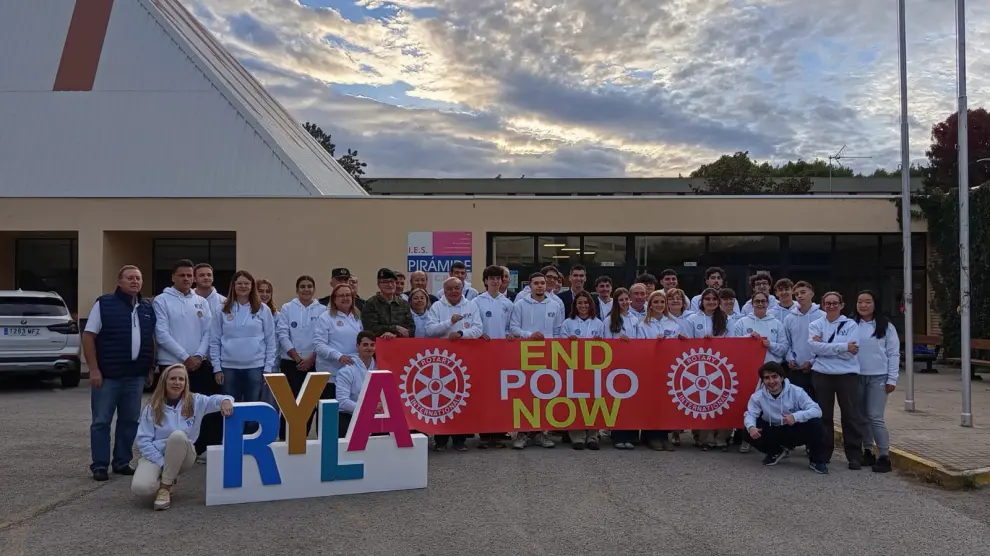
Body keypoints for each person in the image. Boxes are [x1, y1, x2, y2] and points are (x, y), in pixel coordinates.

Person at [82, 265, 157, 481]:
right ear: (120, 281)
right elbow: (89, 336)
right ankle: (99, 465)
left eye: (138, 278)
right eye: (130, 278)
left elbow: (150, 339)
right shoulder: (104, 304)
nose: (135, 281)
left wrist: (149, 367)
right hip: (107, 376)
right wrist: (93, 370)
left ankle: (122, 462)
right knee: (101, 422)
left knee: (130, 421)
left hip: (135, 376)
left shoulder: (145, 307)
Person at [132, 364, 234, 510]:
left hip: (185, 454)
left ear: (186, 383)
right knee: (141, 487)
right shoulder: (152, 406)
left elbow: (217, 399)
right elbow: (143, 440)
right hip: (157, 455)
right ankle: (166, 476)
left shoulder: (195, 401)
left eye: (181, 379)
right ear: (164, 381)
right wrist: (162, 463)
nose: (177, 382)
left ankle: (164, 488)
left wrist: (225, 400)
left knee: (178, 436)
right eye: (173, 379)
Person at [152, 259, 214, 462]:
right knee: (172, 410)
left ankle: (197, 449)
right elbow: (161, 334)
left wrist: (198, 356)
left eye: (189, 275)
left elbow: (208, 332)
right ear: (173, 277)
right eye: (182, 275)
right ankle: (168, 450)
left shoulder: (201, 301)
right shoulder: (162, 300)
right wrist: (185, 357)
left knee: (197, 408)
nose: (186, 279)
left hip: (199, 364)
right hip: (172, 364)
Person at [426, 277, 484, 451]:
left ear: (462, 289)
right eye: (449, 289)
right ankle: (441, 440)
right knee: (442, 399)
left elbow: (478, 329)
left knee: (461, 399)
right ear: (444, 290)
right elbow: (430, 330)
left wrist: (461, 333)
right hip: (442, 361)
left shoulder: (471, 305)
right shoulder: (437, 307)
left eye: (457, 288)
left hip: (465, 358)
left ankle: (460, 440)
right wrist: (449, 323)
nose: (453, 291)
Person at [809, 291, 865, 469]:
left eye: (835, 303)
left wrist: (825, 346)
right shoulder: (815, 324)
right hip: (822, 375)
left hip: (846, 376)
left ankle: (855, 456)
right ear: (822, 305)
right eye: (828, 303)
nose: (831, 306)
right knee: (824, 416)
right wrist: (842, 346)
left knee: (850, 416)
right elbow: (814, 348)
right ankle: (824, 454)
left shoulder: (851, 325)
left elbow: (851, 353)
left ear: (841, 305)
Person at [209, 271, 276, 414]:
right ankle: (233, 437)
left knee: (253, 407)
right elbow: (214, 340)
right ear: (233, 286)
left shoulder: (263, 309)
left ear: (252, 286)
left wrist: (268, 368)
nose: (243, 286)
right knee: (230, 409)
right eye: (239, 283)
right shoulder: (221, 309)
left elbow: (271, 341)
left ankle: (251, 435)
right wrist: (217, 368)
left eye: (247, 283)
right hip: (228, 368)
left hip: (255, 367)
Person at [509, 272, 563, 449]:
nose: (540, 286)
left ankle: (540, 433)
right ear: (530, 285)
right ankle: (522, 434)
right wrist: (529, 335)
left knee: (543, 394)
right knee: (525, 394)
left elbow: (558, 332)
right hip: (525, 355)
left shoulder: (555, 305)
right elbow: (514, 328)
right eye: (536, 283)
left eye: (542, 283)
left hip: (547, 355)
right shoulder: (519, 305)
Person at [743, 362, 828, 474]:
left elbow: (817, 410)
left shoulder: (797, 392)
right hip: (774, 429)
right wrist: (751, 427)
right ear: (763, 381)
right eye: (767, 378)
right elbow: (750, 414)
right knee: (747, 430)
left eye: (774, 376)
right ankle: (775, 451)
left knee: (816, 423)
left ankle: (816, 460)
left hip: (793, 429)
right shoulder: (757, 396)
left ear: (782, 377)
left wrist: (796, 416)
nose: (771, 381)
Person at [732, 291, 790, 453]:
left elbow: (784, 348)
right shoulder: (742, 323)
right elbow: (733, 347)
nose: (760, 304)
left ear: (767, 303)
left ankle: (777, 442)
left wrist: (770, 344)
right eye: (757, 301)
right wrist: (748, 340)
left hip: (772, 372)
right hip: (748, 372)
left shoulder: (777, 324)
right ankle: (747, 439)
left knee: (774, 408)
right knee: (749, 407)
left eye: (763, 301)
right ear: (751, 303)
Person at [851, 290, 899, 473]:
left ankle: (884, 456)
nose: (863, 305)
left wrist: (892, 378)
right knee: (861, 417)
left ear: (875, 304)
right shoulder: (850, 324)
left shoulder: (886, 325)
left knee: (875, 416)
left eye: (868, 302)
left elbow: (894, 353)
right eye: (860, 301)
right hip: (856, 376)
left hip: (879, 377)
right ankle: (868, 451)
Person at [275, 276, 326, 440]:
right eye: (302, 286)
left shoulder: (322, 310)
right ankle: (285, 436)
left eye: (309, 286)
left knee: (309, 403)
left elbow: (323, 337)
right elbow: (282, 334)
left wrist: (311, 359)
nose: (306, 289)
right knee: (290, 402)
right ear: (297, 290)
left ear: (314, 289)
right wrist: (297, 358)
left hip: (314, 362)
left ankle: (301, 437)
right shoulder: (287, 308)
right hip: (291, 363)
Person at [684, 288, 731, 450]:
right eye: (707, 299)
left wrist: (716, 341)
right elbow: (687, 343)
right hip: (698, 367)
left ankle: (722, 438)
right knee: (703, 403)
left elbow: (732, 342)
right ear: (701, 301)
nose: (711, 302)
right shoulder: (691, 319)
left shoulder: (725, 318)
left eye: (714, 299)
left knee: (722, 402)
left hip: (722, 366)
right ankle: (704, 438)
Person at [635, 290, 679, 451]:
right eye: (656, 302)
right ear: (650, 305)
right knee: (651, 403)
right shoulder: (643, 324)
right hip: (650, 368)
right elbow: (639, 346)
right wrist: (655, 343)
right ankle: (650, 435)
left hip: (669, 369)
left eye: (662, 302)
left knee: (665, 403)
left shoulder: (673, 323)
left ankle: (663, 435)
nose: (659, 305)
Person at [562, 291, 604, 451]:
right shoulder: (567, 323)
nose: (583, 306)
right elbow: (559, 345)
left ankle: (593, 436)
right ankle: (577, 436)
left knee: (594, 401)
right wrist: (568, 341)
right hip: (573, 368)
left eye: (586, 303)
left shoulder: (598, 323)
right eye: (580, 303)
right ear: (575, 305)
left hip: (593, 369)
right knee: (575, 401)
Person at [313, 283, 363, 402]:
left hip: (351, 374)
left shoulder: (357, 317)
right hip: (330, 375)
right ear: (334, 299)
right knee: (329, 414)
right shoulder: (326, 317)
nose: (345, 298)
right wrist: (338, 356)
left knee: (348, 413)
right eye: (341, 295)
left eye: (348, 295)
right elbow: (318, 345)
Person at [601, 288, 637, 450]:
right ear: (616, 302)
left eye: (626, 299)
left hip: (632, 364)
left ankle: (630, 436)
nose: (624, 302)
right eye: (620, 300)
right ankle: (617, 436)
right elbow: (605, 343)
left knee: (630, 402)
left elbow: (641, 341)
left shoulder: (635, 319)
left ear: (630, 300)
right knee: (617, 402)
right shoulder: (609, 321)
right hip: (616, 365)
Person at [783, 281, 825, 400]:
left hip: (818, 368)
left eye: (803, 292)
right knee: (796, 404)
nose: (800, 296)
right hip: (796, 369)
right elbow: (787, 342)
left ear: (811, 293)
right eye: (796, 294)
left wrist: (812, 361)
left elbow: (825, 343)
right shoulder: (789, 318)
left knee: (819, 403)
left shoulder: (822, 316)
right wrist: (790, 358)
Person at [335, 331, 379, 438]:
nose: (369, 348)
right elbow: (342, 401)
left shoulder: (379, 367)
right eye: (365, 345)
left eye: (372, 345)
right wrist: (368, 408)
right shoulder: (347, 371)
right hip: (350, 414)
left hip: (375, 413)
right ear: (357, 346)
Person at [362, 268, 415, 339]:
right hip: (378, 346)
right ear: (378, 285)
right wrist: (395, 328)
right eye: (385, 282)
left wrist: (395, 335)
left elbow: (411, 329)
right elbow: (371, 328)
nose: (390, 285)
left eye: (392, 281)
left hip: (400, 345)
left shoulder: (404, 304)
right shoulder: (371, 304)